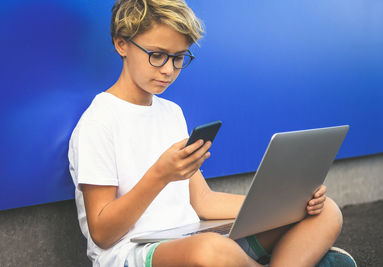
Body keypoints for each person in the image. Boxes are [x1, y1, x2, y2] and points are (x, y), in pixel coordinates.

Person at [68, 0, 357, 266]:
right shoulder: (99, 122)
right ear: (122, 44)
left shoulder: (171, 112)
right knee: (210, 251)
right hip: (134, 252)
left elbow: (203, 201)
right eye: (157, 55)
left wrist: (289, 203)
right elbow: (103, 233)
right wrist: (160, 175)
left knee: (325, 211)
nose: (168, 69)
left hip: (192, 237)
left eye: (179, 58)